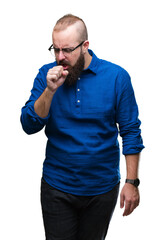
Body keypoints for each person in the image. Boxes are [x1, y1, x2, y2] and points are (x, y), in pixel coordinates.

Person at [21, 14, 144, 240]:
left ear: (85, 45)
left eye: (67, 50)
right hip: (57, 186)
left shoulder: (117, 77)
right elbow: (29, 125)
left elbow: (130, 131)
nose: (60, 57)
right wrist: (49, 90)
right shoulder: (45, 75)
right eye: (55, 49)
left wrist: (131, 182)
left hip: (102, 188)